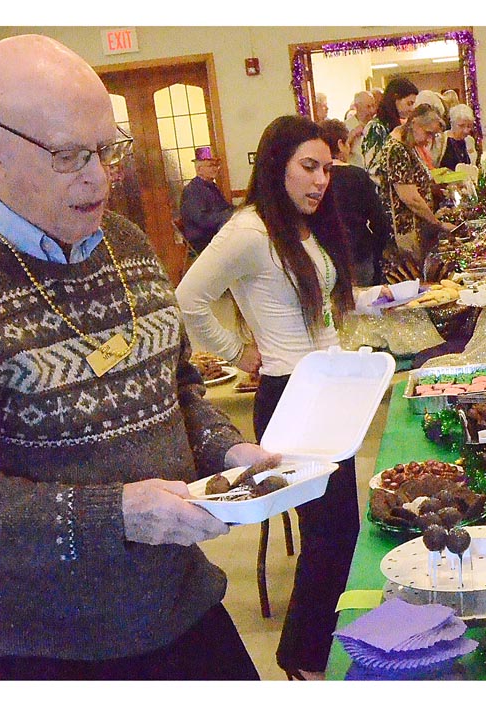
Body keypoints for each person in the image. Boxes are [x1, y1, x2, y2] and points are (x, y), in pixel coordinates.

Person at [0, 33, 278, 680]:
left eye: (108, 150)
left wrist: (226, 449)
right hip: (47, 651)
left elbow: (179, 389)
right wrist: (118, 515)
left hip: (181, 604)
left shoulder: (128, 243)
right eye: (69, 155)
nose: (99, 176)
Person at [175, 115, 358, 680]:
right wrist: (238, 352)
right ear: (277, 165)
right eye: (309, 166)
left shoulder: (302, 227)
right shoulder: (250, 230)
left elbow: (318, 313)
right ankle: (302, 659)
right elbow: (188, 297)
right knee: (328, 534)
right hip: (290, 397)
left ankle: (313, 651)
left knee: (341, 531)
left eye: (327, 168)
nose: (321, 179)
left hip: (327, 392)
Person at [371, 103, 455, 272]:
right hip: (404, 234)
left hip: (416, 230)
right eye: (428, 133)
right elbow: (410, 198)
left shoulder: (409, 145)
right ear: (414, 123)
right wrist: (437, 223)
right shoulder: (396, 149)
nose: (429, 140)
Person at [318, 118, 392, 286]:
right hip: (358, 252)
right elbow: (379, 220)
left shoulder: (317, 178)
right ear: (340, 144)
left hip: (325, 255)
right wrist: (377, 248)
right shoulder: (357, 175)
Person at [179, 146, 235, 254]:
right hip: (203, 240)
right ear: (199, 169)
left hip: (215, 234)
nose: (215, 169)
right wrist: (227, 215)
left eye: (216, 165)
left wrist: (239, 210)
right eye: (210, 165)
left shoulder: (212, 186)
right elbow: (202, 220)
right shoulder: (192, 190)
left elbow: (225, 208)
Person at [361, 77, 419, 174]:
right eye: (409, 103)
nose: (412, 109)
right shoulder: (376, 127)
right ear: (395, 99)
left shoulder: (397, 125)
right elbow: (372, 168)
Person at [439, 103, 478, 170]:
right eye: (461, 126)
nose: (466, 130)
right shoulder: (441, 140)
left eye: (469, 126)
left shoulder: (469, 141)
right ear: (452, 123)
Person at [344, 90, 376, 169]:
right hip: (355, 171)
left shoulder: (377, 125)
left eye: (373, 106)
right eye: (368, 106)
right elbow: (340, 153)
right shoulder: (346, 126)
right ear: (357, 107)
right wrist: (351, 136)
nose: (372, 110)